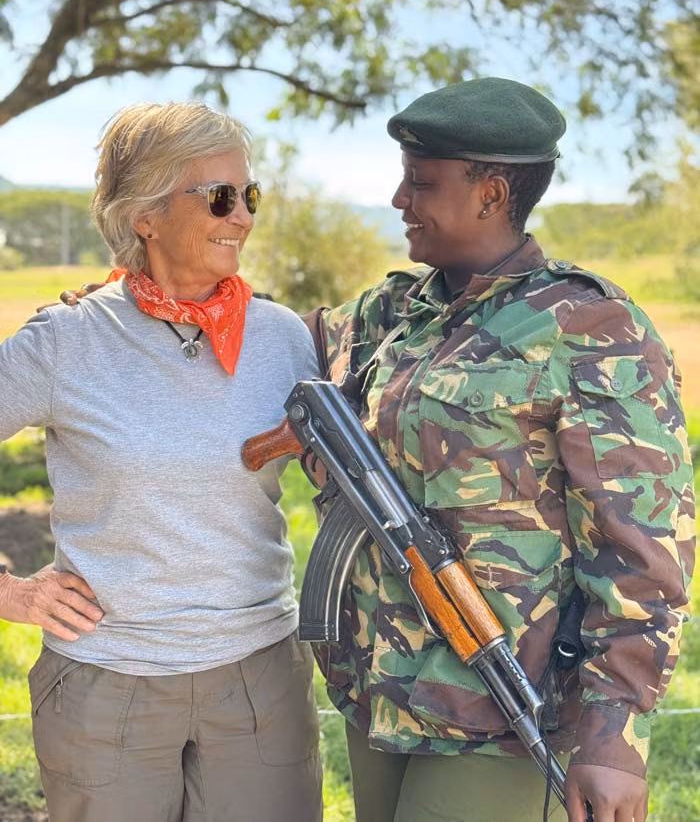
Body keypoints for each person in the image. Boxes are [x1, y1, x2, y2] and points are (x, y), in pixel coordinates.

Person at [301, 78, 696, 822]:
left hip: (501, 712)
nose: (398, 199)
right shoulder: (393, 314)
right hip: (380, 698)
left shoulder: (588, 327)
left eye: (420, 182)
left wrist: (614, 739)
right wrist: (141, 295)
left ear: (490, 193)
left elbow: (643, 552)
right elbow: (266, 334)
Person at [0, 102, 322, 822]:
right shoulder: (66, 341)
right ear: (144, 214)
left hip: (259, 683)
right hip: (104, 688)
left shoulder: (284, 339)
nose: (242, 217)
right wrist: (8, 593)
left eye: (250, 197)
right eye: (218, 197)